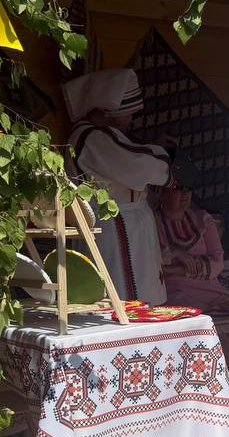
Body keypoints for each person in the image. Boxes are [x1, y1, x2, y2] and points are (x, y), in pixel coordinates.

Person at [155, 161, 229, 426]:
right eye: (178, 189)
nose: (185, 195)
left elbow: (217, 264)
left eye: (189, 190)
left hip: (210, 291)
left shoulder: (203, 220)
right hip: (173, 294)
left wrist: (184, 266)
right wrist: (180, 259)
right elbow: (154, 264)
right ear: (162, 192)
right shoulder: (150, 221)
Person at [64, 68, 170, 304]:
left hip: (125, 222)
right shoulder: (90, 138)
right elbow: (134, 166)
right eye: (128, 113)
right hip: (115, 224)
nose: (131, 120)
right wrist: (164, 160)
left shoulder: (97, 136)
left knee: (137, 289)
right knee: (122, 291)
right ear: (108, 111)